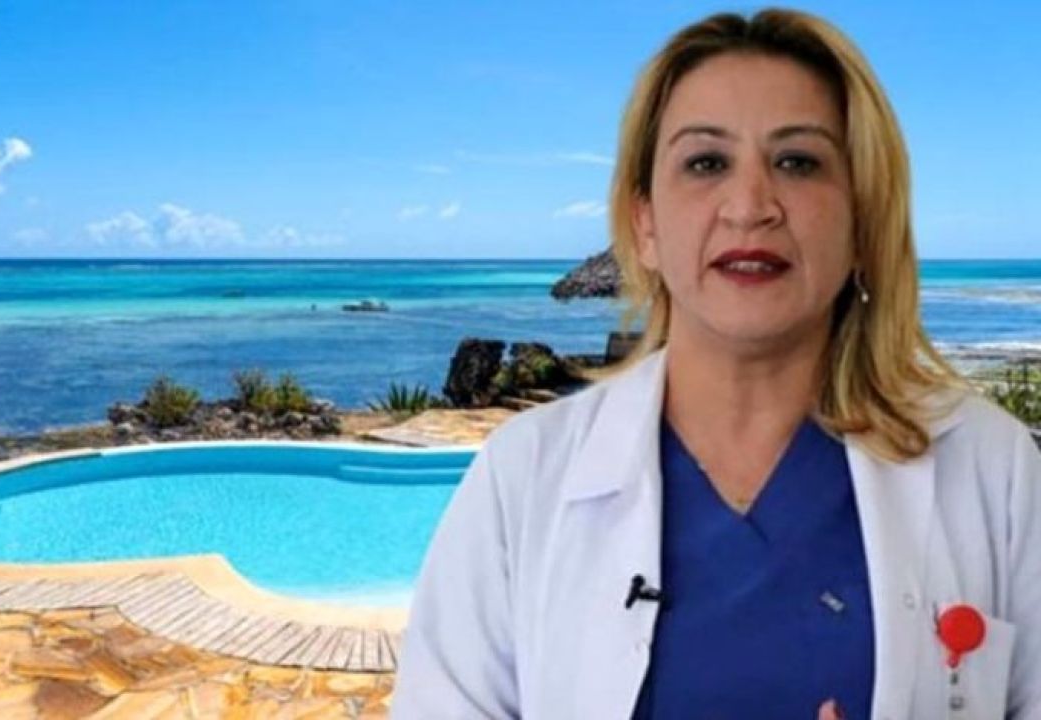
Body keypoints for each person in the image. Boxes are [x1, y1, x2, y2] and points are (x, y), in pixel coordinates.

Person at [391, 8, 1041, 719]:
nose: (750, 205)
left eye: (798, 162)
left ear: (862, 220)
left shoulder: (995, 470)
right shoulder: (521, 479)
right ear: (644, 225)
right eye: (706, 163)